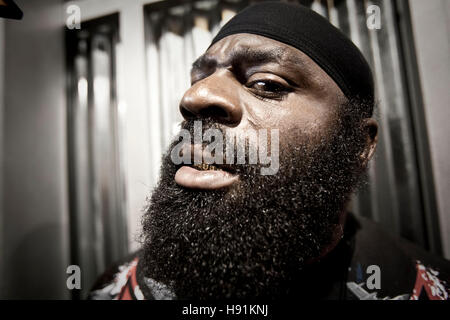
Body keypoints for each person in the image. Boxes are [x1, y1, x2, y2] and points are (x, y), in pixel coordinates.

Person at [89, 2, 449, 300]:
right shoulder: (115, 289)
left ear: (360, 145)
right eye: (199, 80)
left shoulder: (428, 288)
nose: (194, 99)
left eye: (266, 84)